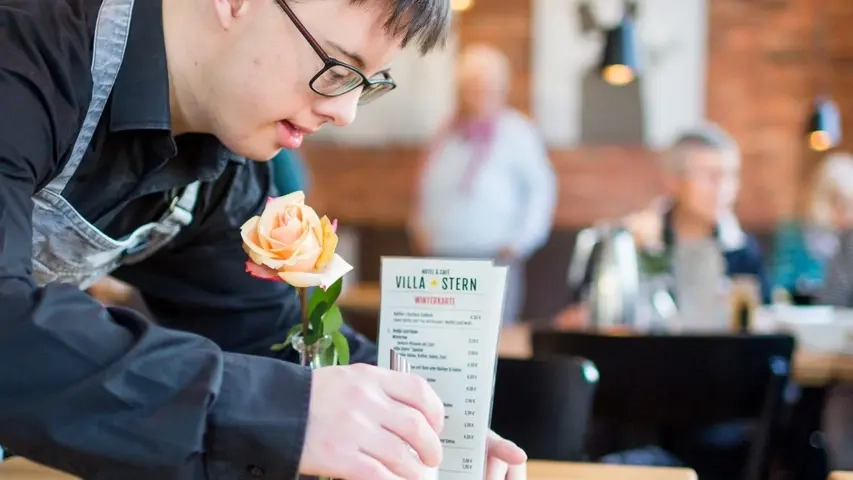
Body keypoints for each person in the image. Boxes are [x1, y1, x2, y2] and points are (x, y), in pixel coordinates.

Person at [0, 0, 526, 478]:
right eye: (339, 67)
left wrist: (420, 425)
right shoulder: (24, 56)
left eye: (369, 83)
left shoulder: (217, 168)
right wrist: (286, 413)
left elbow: (262, 325)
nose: (344, 113)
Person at [556, 124, 770, 329]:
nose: (723, 188)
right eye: (709, 176)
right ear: (673, 181)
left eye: (730, 175)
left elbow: (763, 316)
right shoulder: (630, 242)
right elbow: (576, 315)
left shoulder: (741, 249)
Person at [409, 43, 557, 327]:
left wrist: (520, 241)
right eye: (471, 84)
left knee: (488, 339)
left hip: (492, 259)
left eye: (485, 85)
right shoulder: (445, 133)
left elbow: (541, 191)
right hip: (440, 259)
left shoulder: (517, 132)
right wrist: (419, 226)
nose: (478, 91)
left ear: (502, 88)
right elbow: (425, 187)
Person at [773, 152, 853, 303]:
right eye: (839, 204)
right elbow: (782, 285)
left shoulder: (849, 240)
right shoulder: (794, 234)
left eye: (850, 205)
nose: (846, 214)